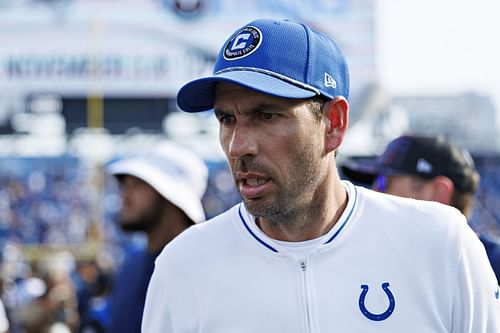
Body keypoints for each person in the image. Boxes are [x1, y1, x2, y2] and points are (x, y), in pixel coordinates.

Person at [142, 18, 500, 332]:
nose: (238, 146)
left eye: (267, 115)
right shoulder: (182, 267)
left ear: (334, 124)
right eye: (226, 119)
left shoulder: (440, 243)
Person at [341, 134, 500, 283]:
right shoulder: (376, 264)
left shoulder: (491, 269)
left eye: (384, 183)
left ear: (438, 193)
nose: (373, 193)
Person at [105, 141, 208, 333]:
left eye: (136, 185)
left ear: (170, 195)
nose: (124, 196)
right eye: (125, 186)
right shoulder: (130, 267)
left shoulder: (208, 271)